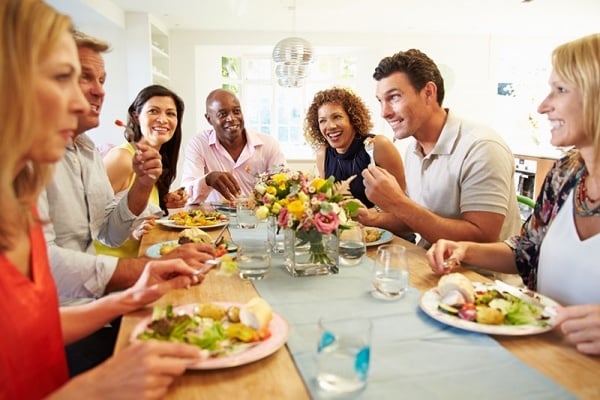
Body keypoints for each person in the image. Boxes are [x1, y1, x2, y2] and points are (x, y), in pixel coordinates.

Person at [0, 1, 211, 397]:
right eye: (66, 78)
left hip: (81, 316)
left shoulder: (75, 157)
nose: (88, 100)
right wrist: (94, 390)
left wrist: (127, 298)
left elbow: (105, 237)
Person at [426, 33, 600, 356]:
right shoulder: (564, 175)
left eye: (560, 90)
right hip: (544, 356)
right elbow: (525, 251)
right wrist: (465, 249)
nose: (543, 106)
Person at [358, 49, 521, 250]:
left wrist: (398, 202)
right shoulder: (413, 151)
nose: (384, 112)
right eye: (381, 101)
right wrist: (373, 218)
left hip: (479, 278)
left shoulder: (481, 147)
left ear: (428, 92)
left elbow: (482, 239)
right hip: (430, 266)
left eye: (394, 97)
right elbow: (415, 219)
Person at [95, 84, 189, 258]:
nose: (163, 119)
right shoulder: (122, 159)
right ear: (136, 116)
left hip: (143, 261)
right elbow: (91, 227)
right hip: (113, 271)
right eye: (154, 111)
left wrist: (163, 201)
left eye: (170, 113)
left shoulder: (155, 160)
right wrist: (131, 233)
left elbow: (127, 202)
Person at [304, 87, 407, 208]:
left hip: (379, 225)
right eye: (322, 121)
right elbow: (327, 201)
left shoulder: (378, 146)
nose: (330, 126)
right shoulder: (323, 154)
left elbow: (402, 204)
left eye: (337, 117)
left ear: (352, 118)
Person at [181, 88, 287, 204]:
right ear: (209, 119)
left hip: (257, 218)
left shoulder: (268, 145)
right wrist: (207, 180)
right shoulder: (199, 144)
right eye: (222, 114)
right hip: (214, 220)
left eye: (236, 112)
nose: (231, 118)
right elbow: (185, 196)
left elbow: (285, 188)